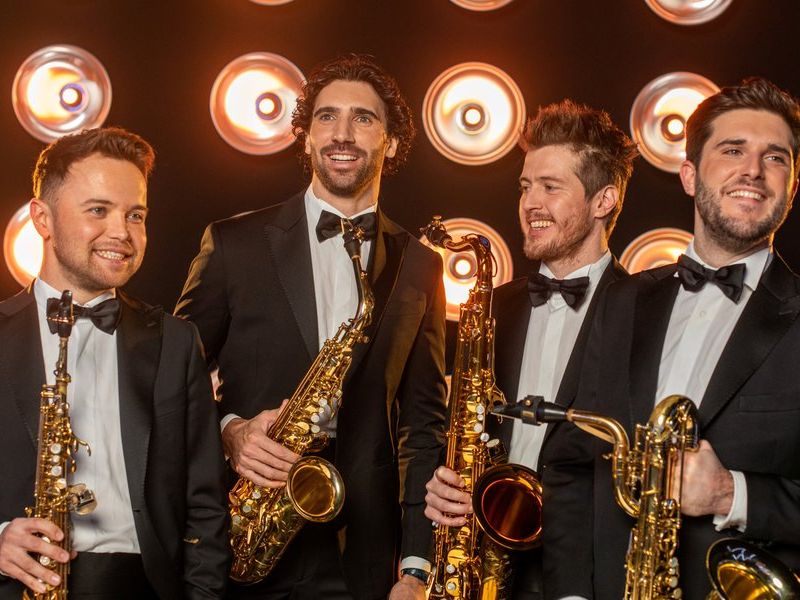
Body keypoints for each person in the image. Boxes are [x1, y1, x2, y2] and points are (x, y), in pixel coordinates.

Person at [175, 54, 447, 600]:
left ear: (392, 142)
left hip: (364, 551)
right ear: (304, 137)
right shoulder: (233, 243)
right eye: (326, 116)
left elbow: (424, 424)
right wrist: (231, 431)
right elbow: (171, 379)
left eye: (363, 118)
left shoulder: (421, 264)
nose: (342, 133)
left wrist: (417, 567)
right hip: (246, 524)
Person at [546, 77, 800, 599]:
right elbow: (573, 460)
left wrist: (731, 493)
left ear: (793, 186)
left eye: (775, 157)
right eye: (732, 150)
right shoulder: (620, 300)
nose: (753, 170)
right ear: (689, 175)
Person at [0, 127, 229, 599]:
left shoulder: (176, 341)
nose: (122, 232)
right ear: (42, 218)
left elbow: (205, 506)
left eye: (135, 214)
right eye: (98, 210)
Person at [423, 99, 637, 599]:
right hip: (481, 564)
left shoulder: (646, 311)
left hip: (588, 577)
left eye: (550, 187)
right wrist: (442, 482)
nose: (530, 203)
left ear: (604, 201)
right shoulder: (492, 307)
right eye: (525, 186)